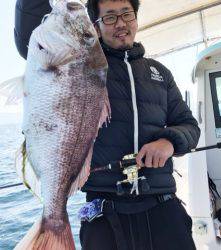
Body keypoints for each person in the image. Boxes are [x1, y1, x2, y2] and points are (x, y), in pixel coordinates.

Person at [14, 0, 201, 249]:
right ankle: (52, 221)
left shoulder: (160, 72)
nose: (121, 23)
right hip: (104, 209)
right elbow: (29, 33)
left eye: (126, 14)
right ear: (96, 26)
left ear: (136, 17)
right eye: (110, 17)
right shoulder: (87, 65)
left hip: (162, 203)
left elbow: (189, 125)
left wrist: (169, 142)